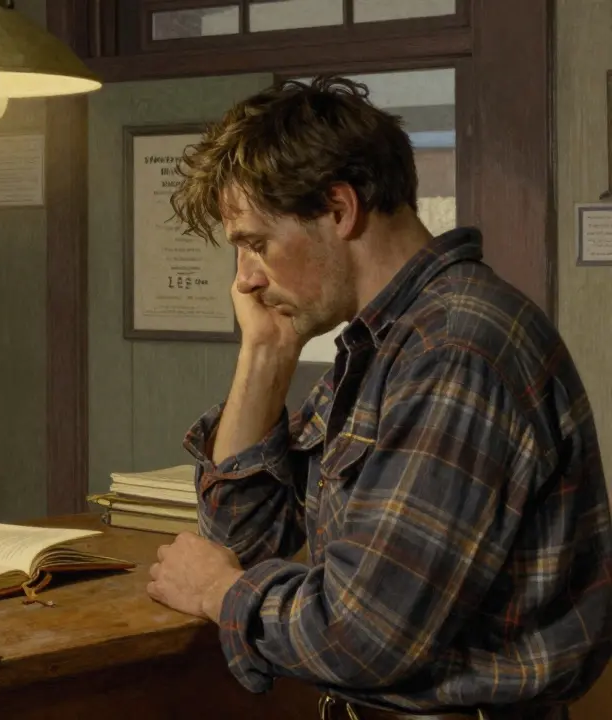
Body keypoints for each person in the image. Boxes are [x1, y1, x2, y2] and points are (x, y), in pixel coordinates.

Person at [145, 76, 612, 719]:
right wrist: (266, 353)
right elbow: (244, 535)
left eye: (256, 244)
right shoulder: (383, 343)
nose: (246, 280)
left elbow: (363, 637)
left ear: (339, 209)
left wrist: (221, 592)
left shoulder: (454, 350)